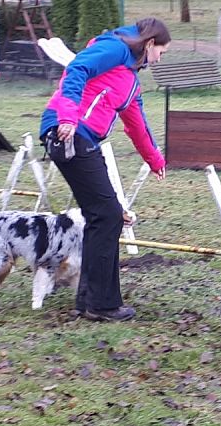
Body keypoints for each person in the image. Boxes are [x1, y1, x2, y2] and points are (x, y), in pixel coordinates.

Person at [40, 17, 170, 321]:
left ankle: (90, 301)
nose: (160, 58)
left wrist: (155, 160)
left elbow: (136, 124)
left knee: (104, 216)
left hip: (84, 138)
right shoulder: (113, 49)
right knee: (108, 215)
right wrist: (68, 117)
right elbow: (77, 69)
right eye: (161, 52)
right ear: (150, 44)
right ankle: (102, 305)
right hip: (69, 133)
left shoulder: (130, 80)